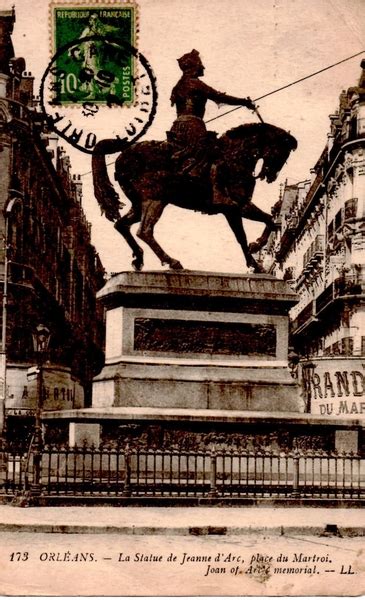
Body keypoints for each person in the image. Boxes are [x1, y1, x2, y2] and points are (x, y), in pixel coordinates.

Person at [168, 49, 256, 205]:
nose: (203, 68)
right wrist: (244, 102)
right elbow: (220, 97)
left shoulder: (178, 86)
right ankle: (217, 193)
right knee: (216, 153)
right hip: (193, 125)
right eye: (201, 64)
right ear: (194, 66)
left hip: (178, 126)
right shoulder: (195, 83)